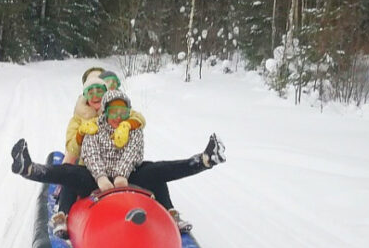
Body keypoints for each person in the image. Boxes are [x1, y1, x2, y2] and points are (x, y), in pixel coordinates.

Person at [11, 89, 225, 237]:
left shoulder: (133, 129)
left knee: (156, 170)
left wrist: (122, 175)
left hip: (127, 177)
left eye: (122, 112)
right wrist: (102, 178)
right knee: (71, 173)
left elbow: (133, 153)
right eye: (113, 111)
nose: (117, 116)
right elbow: (92, 154)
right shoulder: (94, 128)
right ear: (104, 111)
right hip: (97, 179)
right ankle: (31, 170)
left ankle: (204, 161)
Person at [63, 72, 144, 164]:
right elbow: (71, 149)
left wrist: (127, 124)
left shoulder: (114, 108)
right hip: (87, 166)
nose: (95, 96)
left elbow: (138, 117)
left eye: (99, 91)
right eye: (90, 93)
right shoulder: (78, 118)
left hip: (118, 163)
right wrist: (80, 135)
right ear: (86, 96)